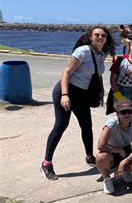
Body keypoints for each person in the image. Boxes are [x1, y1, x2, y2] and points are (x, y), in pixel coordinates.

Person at [41, 26, 116, 180]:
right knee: (61, 125)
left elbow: (98, 74)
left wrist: (101, 91)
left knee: (86, 125)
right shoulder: (82, 51)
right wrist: (65, 94)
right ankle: (46, 163)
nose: (100, 37)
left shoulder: (101, 54)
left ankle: (89, 157)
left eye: (103, 35)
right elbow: (66, 72)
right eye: (97, 35)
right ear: (90, 37)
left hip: (82, 95)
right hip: (67, 91)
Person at [96, 100, 132, 195]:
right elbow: (100, 146)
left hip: (125, 151)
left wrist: (124, 162)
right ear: (117, 114)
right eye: (123, 112)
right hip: (110, 151)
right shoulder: (111, 123)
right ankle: (107, 179)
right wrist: (118, 150)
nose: (127, 115)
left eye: (130, 112)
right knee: (100, 157)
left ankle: (126, 170)